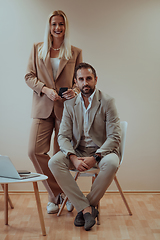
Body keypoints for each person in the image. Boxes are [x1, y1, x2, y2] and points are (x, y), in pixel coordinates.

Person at [48, 62, 121, 231]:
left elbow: (114, 137)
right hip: (78, 151)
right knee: (54, 162)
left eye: (89, 78)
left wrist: (95, 157)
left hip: (102, 151)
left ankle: (85, 207)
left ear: (95, 79)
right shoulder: (69, 104)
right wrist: (72, 158)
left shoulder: (108, 102)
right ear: (76, 81)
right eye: (81, 79)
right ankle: (87, 209)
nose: (85, 83)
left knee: (112, 163)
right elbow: (63, 136)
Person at [25, 10, 82, 214]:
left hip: (65, 110)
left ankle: (59, 197)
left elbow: (79, 80)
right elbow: (29, 76)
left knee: (60, 156)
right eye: (54, 24)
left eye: (61, 24)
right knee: (34, 151)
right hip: (42, 106)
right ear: (49, 27)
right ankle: (57, 193)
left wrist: (74, 91)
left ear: (66, 27)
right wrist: (45, 89)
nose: (57, 28)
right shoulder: (37, 48)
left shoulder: (74, 52)